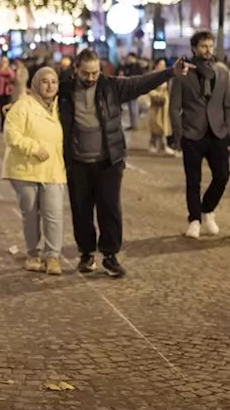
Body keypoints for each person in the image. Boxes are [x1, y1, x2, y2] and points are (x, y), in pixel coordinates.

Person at [61, 50, 186, 276]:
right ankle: (86, 254)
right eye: (86, 73)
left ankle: (110, 255)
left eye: (95, 73)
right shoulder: (65, 90)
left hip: (109, 160)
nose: (91, 77)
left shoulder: (111, 86)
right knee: (81, 209)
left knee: (110, 208)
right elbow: (41, 96)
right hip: (77, 161)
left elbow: (141, 83)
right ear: (76, 69)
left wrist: (170, 72)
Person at [169, 31, 230, 239]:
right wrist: (179, 133)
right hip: (192, 133)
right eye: (203, 46)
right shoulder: (183, 74)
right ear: (194, 49)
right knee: (193, 180)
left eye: (210, 46)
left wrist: (228, 130)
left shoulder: (222, 73)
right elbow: (174, 106)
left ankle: (207, 209)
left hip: (216, 133)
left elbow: (228, 103)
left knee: (223, 175)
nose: (207, 50)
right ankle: (194, 220)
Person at [2, 66, 66, 275]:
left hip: (54, 168)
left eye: (53, 82)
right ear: (36, 83)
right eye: (45, 81)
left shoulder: (60, 106)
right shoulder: (23, 105)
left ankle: (53, 256)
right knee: (30, 214)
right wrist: (33, 148)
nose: (49, 86)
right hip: (26, 169)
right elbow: (11, 135)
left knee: (54, 213)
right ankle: (33, 254)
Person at [146, 59, 174, 155]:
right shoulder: (152, 77)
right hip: (155, 106)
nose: (162, 66)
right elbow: (149, 90)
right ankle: (153, 144)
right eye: (160, 64)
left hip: (164, 106)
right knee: (156, 126)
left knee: (163, 127)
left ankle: (163, 146)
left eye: (164, 65)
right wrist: (157, 96)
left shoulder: (166, 77)